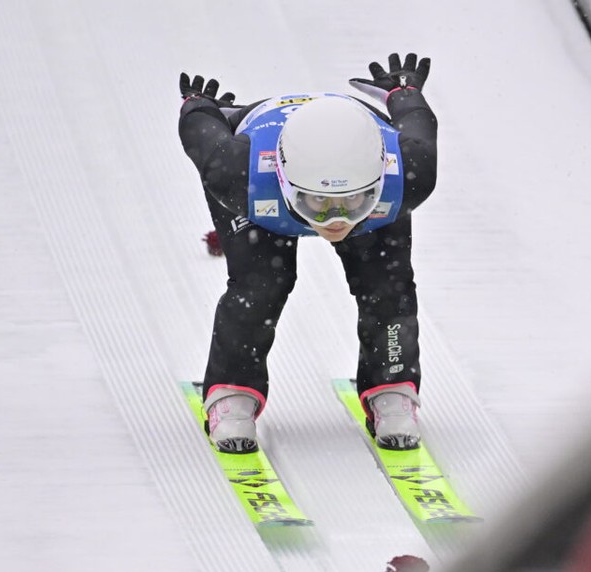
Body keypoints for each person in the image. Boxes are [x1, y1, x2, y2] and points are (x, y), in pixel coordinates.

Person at [178, 53, 437, 453]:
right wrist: (201, 108)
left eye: (352, 202)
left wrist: (404, 93)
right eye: (318, 203)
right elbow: (201, 133)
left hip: (326, 167)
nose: (335, 221)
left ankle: (393, 383)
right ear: (283, 178)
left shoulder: (409, 172)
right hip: (263, 186)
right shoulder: (237, 173)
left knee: (388, 284)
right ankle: (231, 393)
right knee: (261, 283)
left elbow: (417, 125)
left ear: (379, 179)